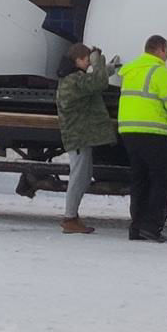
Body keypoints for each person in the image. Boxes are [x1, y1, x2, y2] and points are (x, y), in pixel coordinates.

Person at [117, 35, 167, 243]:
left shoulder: (132, 69)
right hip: (151, 132)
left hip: (128, 130)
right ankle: (151, 227)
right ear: (160, 49)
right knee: (163, 178)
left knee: (140, 180)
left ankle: (136, 228)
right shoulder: (159, 71)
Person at [56, 43, 120, 234]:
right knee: (78, 177)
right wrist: (98, 61)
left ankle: (72, 217)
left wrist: (108, 68)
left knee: (82, 177)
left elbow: (92, 81)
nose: (88, 63)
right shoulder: (73, 80)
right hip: (79, 137)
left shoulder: (73, 79)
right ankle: (69, 218)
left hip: (80, 136)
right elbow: (97, 83)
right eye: (86, 59)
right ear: (78, 60)